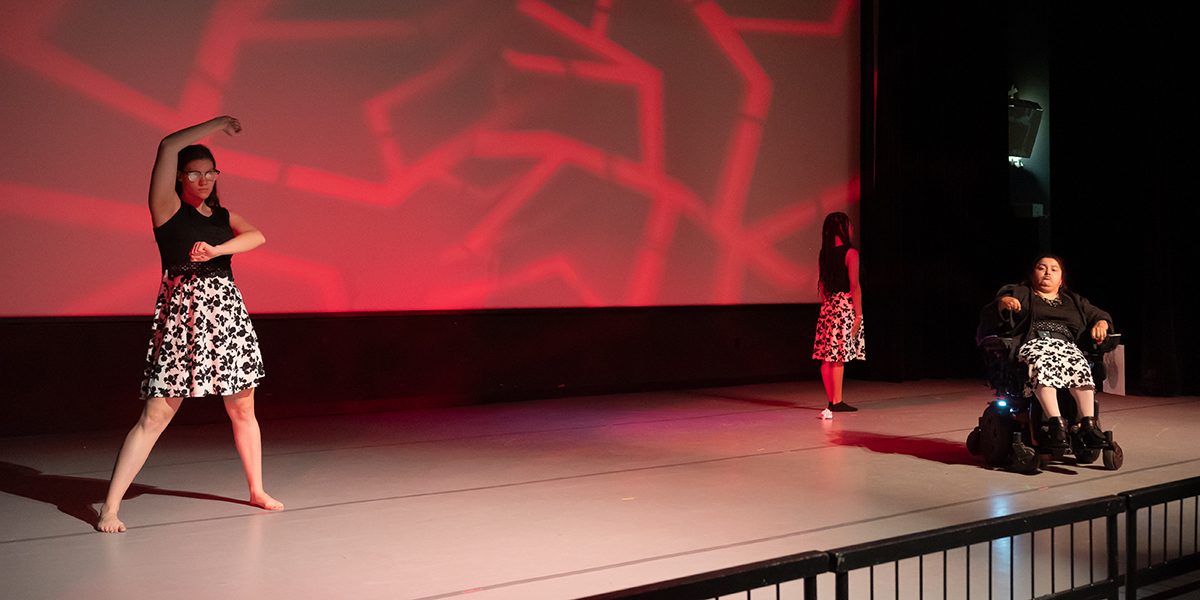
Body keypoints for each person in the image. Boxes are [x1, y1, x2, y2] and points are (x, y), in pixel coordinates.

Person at [96, 116, 283, 533]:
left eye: (209, 173)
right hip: (185, 319)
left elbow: (257, 237)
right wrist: (216, 123)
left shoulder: (221, 217)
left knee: (243, 408)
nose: (202, 180)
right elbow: (165, 145)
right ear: (180, 177)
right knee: (156, 416)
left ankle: (256, 488)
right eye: (194, 173)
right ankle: (110, 507)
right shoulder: (168, 211)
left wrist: (218, 249)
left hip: (228, 317)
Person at [982, 255, 1113, 450]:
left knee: (1080, 364)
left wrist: (1102, 323)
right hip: (1033, 343)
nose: (1047, 272)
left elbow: (1099, 315)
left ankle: (1088, 425)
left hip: (1066, 347)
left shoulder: (1074, 301)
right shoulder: (1020, 293)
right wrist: (1003, 303)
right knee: (1044, 360)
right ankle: (1055, 424)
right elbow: (990, 313)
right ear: (1032, 274)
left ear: (1061, 279)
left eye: (1054, 269)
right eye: (1041, 268)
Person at [811, 212, 864, 412]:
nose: (851, 229)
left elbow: (823, 286)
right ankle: (837, 401)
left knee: (827, 357)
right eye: (849, 225)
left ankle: (832, 400)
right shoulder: (851, 253)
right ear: (842, 228)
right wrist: (858, 315)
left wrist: (827, 307)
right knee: (838, 356)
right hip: (843, 305)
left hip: (828, 306)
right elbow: (855, 286)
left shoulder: (824, 254)